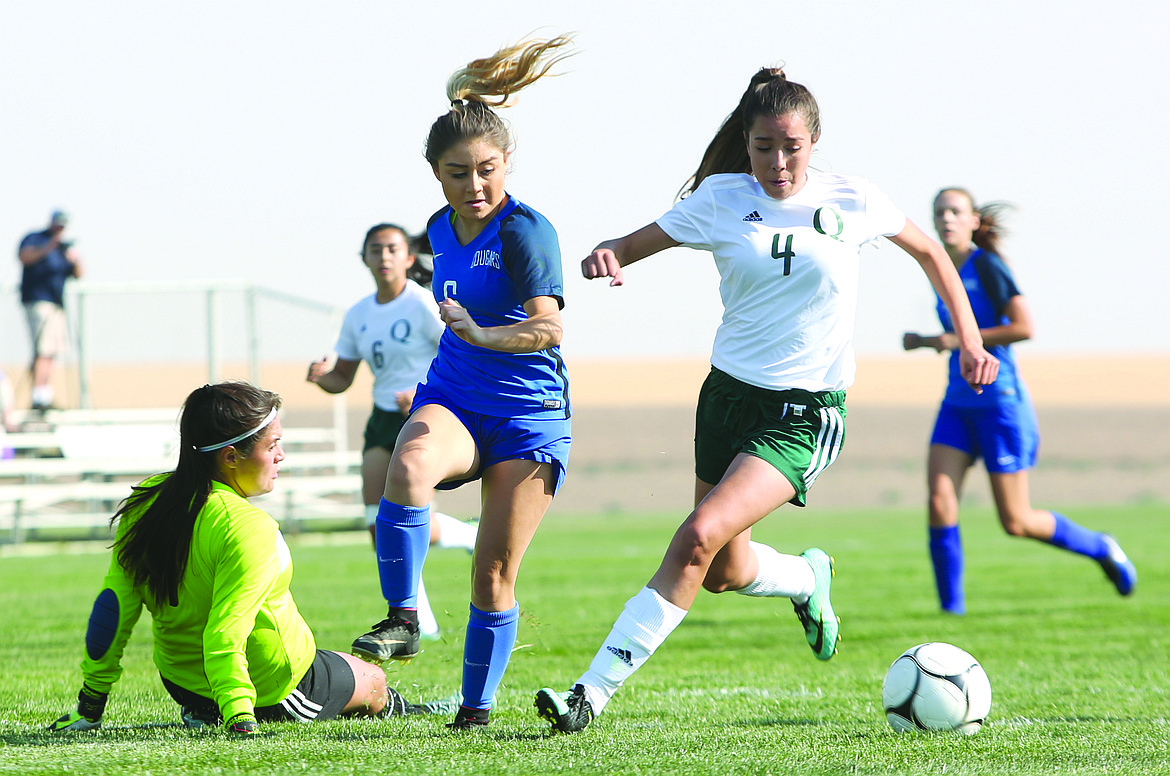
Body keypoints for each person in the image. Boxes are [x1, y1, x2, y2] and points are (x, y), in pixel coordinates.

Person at [534, 67, 999, 734]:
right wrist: (604, 256)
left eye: (791, 147)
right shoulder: (721, 199)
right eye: (761, 147)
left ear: (814, 141)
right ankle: (808, 580)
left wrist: (971, 341)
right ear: (745, 143)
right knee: (725, 569)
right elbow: (627, 246)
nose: (777, 163)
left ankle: (588, 694)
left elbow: (930, 253)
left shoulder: (853, 198)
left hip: (804, 414)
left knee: (695, 537)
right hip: (725, 399)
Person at [348, 36, 574, 730]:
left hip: (528, 414)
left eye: (487, 170)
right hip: (455, 395)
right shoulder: (439, 230)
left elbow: (549, 330)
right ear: (435, 175)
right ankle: (404, 618)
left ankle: (474, 712)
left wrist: (480, 331)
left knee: (492, 576)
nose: (475, 186)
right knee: (407, 464)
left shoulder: (526, 231)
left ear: (507, 164)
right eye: (458, 173)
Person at [48, 382, 406, 735]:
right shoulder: (250, 527)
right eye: (273, 444)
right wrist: (239, 715)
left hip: (183, 683)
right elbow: (225, 633)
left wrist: (90, 705)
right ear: (231, 456)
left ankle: (206, 710)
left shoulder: (148, 500)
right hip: (271, 690)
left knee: (349, 665)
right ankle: (408, 709)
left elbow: (113, 609)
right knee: (374, 679)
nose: (281, 455)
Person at [902, 188, 1137, 615]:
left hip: (1000, 405)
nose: (946, 219)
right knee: (939, 500)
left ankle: (1102, 546)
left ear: (974, 220)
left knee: (1016, 521)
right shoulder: (940, 270)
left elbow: (1024, 326)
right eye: (940, 213)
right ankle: (951, 615)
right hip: (957, 404)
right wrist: (924, 341)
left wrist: (953, 340)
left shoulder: (988, 266)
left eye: (956, 211)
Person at [307, 223, 479, 639]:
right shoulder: (359, 314)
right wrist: (322, 377)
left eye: (391, 249)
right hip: (383, 417)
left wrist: (423, 390)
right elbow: (343, 377)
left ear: (407, 258)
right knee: (376, 524)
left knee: (411, 519)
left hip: (427, 412)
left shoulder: (422, 304)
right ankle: (418, 620)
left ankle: (468, 535)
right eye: (375, 250)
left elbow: (458, 349)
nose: (383, 257)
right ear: (364, 258)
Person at [17, 209, 82, 412]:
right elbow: (24, 257)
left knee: (52, 351)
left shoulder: (63, 250)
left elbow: (78, 274)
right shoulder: (35, 239)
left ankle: (45, 395)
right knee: (43, 350)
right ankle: (38, 397)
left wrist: (75, 259)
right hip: (38, 301)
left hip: (56, 304)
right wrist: (47, 248)